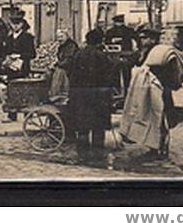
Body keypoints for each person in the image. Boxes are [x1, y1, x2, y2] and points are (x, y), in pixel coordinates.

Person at [121, 28, 183, 159]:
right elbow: (133, 62)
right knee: (151, 119)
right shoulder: (144, 52)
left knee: (161, 120)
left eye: (145, 38)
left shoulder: (160, 53)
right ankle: (154, 147)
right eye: (141, 38)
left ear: (152, 39)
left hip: (161, 90)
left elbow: (172, 74)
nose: (142, 40)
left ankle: (161, 148)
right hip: (148, 91)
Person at [68, 29, 115, 163]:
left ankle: (82, 154)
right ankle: (97, 154)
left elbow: (72, 76)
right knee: (98, 127)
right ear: (100, 41)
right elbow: (109, 78)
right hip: (98, 97)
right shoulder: (103, 57)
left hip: (81, 96)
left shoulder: (78, 54)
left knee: (82, 127)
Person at [104, 14, 137, 93]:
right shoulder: (129, 30)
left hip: (114, 55)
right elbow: (137, 39)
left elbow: (106, 42)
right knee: (126, 73)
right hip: (126, 54)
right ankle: (126, 90)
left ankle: (118, 91)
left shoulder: (110, 31)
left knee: (115, 73)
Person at [49, 28, 78, 97]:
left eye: (61, 36)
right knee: (48, 72)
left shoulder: (71, 46)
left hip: (71, 68)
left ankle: (56, 93)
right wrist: (54, 64)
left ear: (67, 36)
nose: (59, 39)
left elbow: (68, 60)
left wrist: (57, 65)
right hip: (64, 66)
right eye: (58, 37)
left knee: (59, 72)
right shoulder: (62, 46)